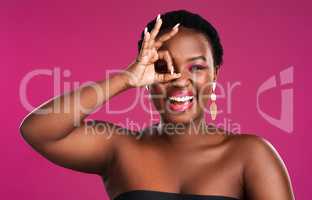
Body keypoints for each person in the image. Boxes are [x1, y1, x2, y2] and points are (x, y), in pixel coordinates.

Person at [19, 10, 295, 200]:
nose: (179, 81)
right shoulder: (121, 148)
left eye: (196, 67)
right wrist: (126, 78)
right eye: (163, 67)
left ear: (215, 74)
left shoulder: (250, 154)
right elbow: (39, 130)